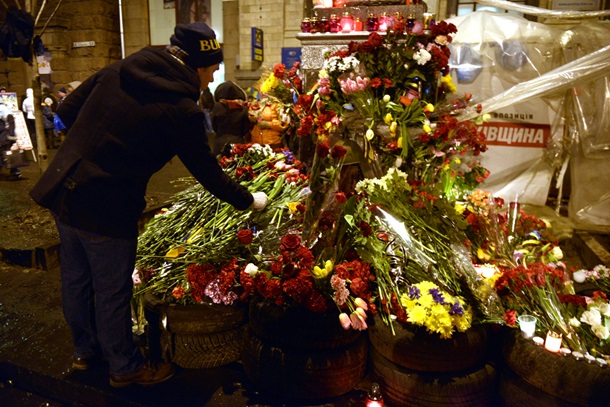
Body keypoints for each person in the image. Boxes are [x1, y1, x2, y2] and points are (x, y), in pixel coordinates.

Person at [29, 22, 269, 388]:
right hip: (108, 205)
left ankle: (85, 352)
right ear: (196, 66)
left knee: (76, 280)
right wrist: (249, 199)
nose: (216, 73)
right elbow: (208, 173)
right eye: (213, 66)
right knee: (112, 290)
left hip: (67, 188)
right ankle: (124, 368)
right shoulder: (182, 109)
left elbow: (67, 107)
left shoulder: (122, 69)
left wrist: (97, 142)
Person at [210, 81, 250, 155]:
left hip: (220, 142)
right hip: (238, 143)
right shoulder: (243, 108)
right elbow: (245, 129)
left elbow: (214, 126)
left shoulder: (217, 107)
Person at [0, 99, 21, 179]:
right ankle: (15, 171)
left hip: (4, 136)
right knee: (5, 153)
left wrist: (11, 134)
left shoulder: (2, 109)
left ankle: (15, 171)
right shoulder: (3, 108)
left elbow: (10, 120)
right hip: (5, 135)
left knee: (5, 153)